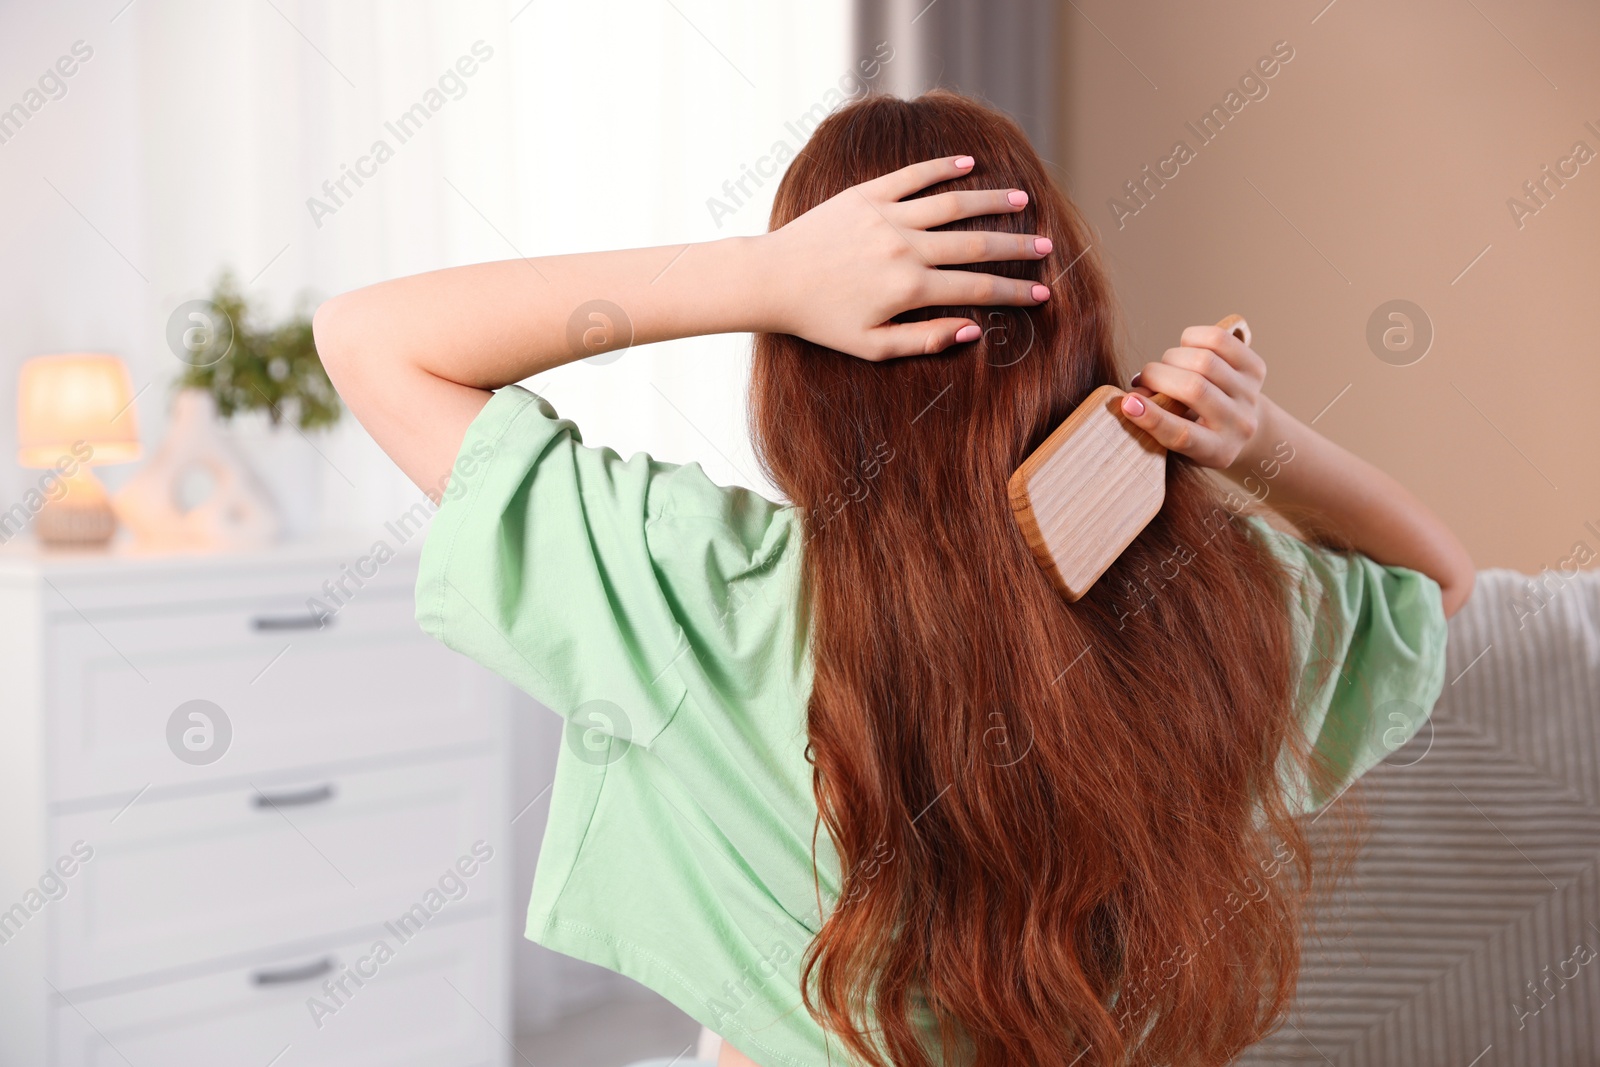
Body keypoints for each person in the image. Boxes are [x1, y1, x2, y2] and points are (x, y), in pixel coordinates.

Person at [314, 90, 1473, 1067]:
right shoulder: (1216, 602)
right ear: (1064, 309)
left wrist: (758, 274)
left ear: (797, 367)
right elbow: (1438, 580)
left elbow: (369, 339)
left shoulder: (701, 587)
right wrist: (1257, 436)